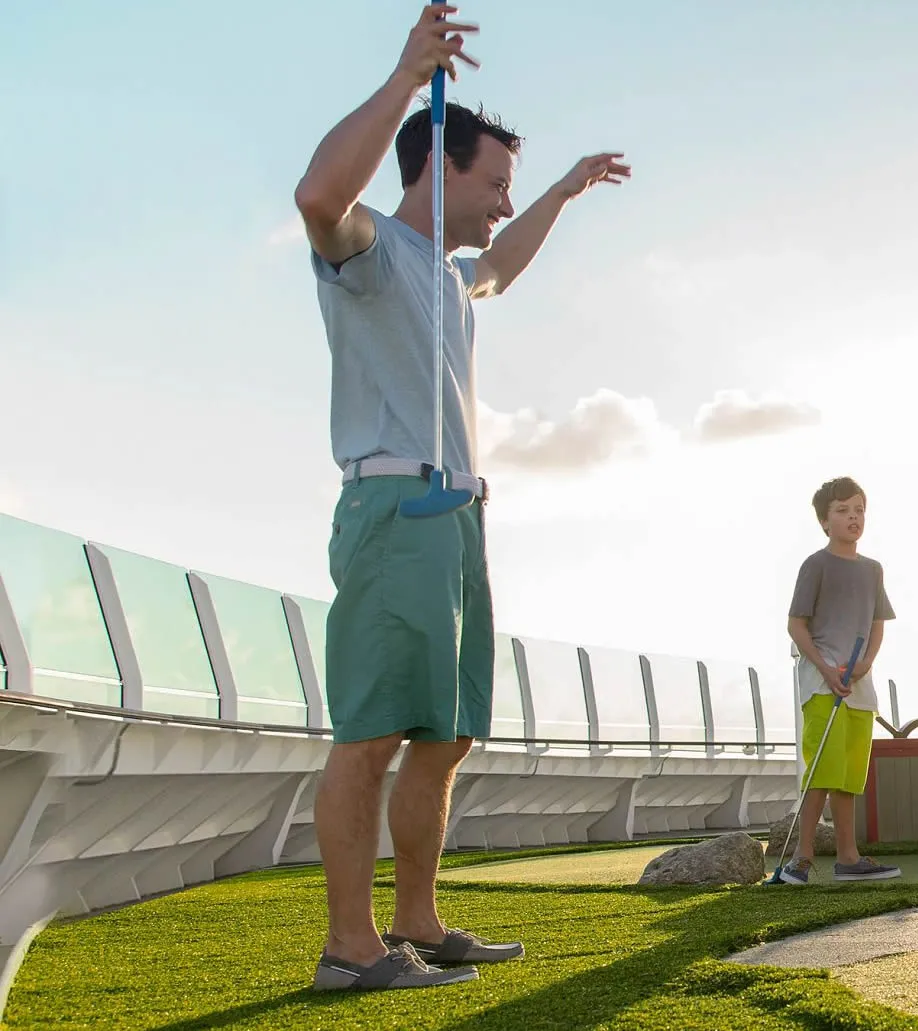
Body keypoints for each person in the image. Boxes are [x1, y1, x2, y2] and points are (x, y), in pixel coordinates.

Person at [294, 4, 629, 991]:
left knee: (446, 733)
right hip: (393, 513)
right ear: (437, 168)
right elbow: (317, 192)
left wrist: (560, 194)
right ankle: (350, 948)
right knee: (372, 732)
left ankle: (418, 919)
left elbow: (502, 269)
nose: (498, 203)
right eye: (492, 185)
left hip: (456, 519)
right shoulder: (368, 254)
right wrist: (406, 73)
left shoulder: (447, 275)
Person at [781, 476, 903, 884]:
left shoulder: (873, 570)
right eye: (843, 511)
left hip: (858, 684)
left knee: (850, 773)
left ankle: (849, 858)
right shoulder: (815, 564)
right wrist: (825, 667)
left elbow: (876, 624)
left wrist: (867, 661)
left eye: (859, 510)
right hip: (821, 680)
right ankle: (801, 856)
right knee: (822, 769)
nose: (853, 518)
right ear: (824, 521)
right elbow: (796, 626)